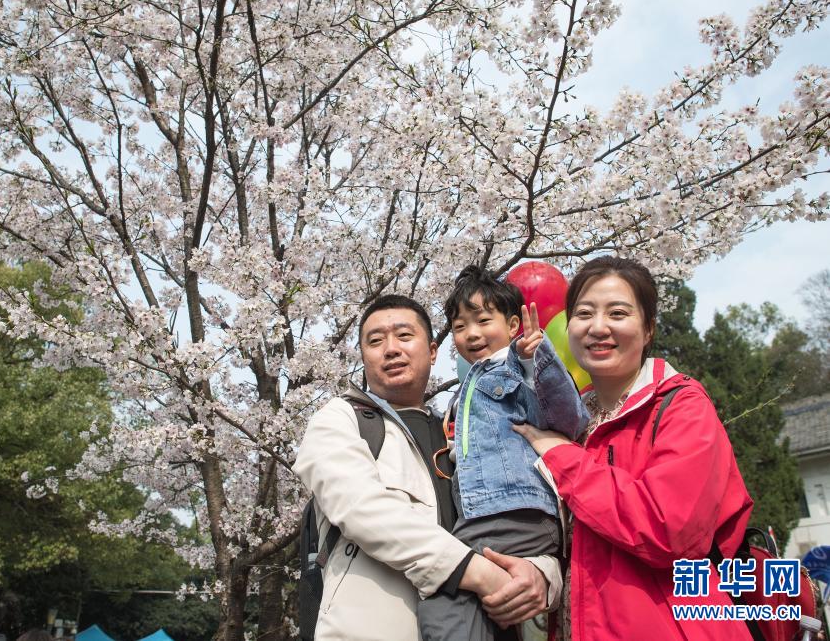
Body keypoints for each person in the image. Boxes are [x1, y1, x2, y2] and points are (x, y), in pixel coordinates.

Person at [485, 256, 754, 640]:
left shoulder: (682, 406)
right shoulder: (568, 422)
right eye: (584, 313)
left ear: (648, 328)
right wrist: (541, 573)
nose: (598, 327)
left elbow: (669, 530)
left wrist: (563, 457)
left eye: (618, 313)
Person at [294, 294, 559, 641]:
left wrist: (543, 575)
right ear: (363, 357)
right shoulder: (340, 419)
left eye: (404, 336)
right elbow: (360, 508)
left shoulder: (468, 432)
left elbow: (533, 510)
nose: (391, 349)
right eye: (375, 341)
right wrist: (477, 573)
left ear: (433, 351)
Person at [418, 266, 587, 641]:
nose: (472, 333)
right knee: (478, 610)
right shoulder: (468, 386)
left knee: (443, 599)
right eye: (460, 326)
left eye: (483, 320)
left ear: (513, 325)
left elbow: (570, 417)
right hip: (484, 517)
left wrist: (537, 359)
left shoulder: (517, 369)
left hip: (511, 514)